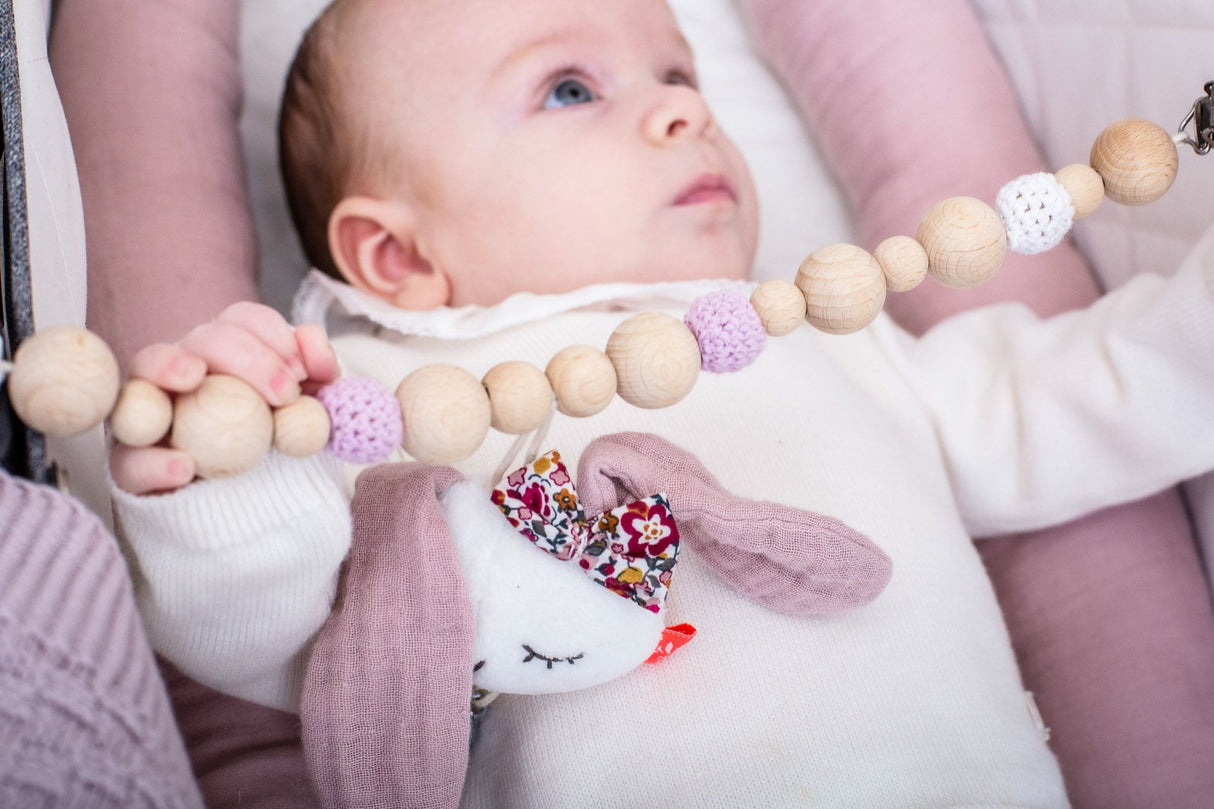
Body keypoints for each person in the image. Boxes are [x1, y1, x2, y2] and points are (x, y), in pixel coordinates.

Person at [102, 0, 1214, 806]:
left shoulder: (831, 333)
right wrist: (227, 487)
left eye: (681, 75)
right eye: (570, 88)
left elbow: (1081, 400)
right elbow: (284, 652)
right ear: (395, 255)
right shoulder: (383, 406)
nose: (682, 114)